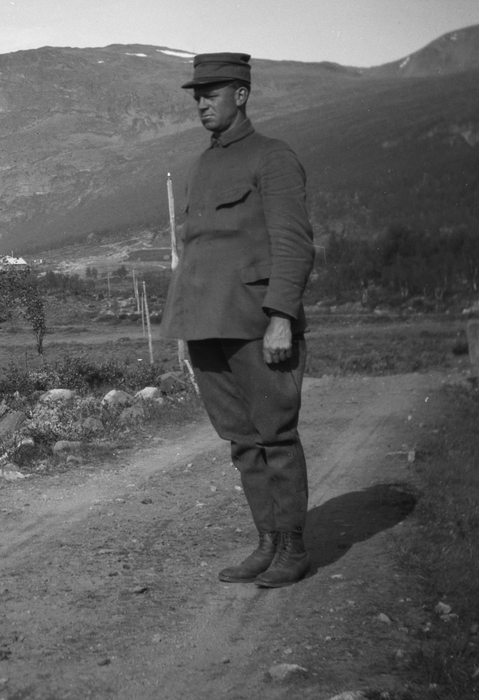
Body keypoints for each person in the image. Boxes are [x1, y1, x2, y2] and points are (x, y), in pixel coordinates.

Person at [163, 52, 315, 588]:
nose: (201, 102)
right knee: (242, 440)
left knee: (275, 434)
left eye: (212, 92)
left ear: (242, 94)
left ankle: (293, 547)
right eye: (196, 95)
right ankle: (267, 543)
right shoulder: (202, 165)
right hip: (205, 321)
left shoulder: (272, 158)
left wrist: (281, 317)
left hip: (255, 321)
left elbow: (293, 244)